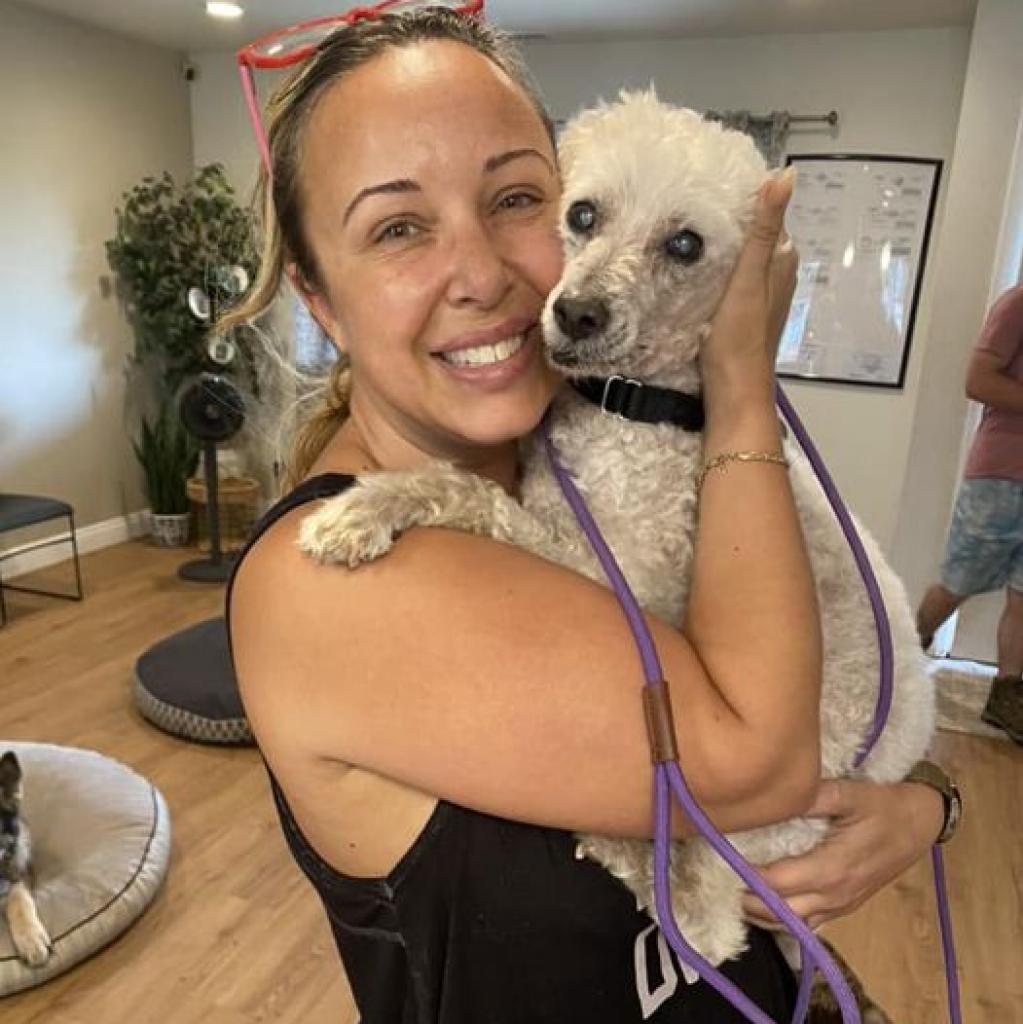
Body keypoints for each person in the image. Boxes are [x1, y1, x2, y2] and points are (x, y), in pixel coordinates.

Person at [225, 8, 954, 1021]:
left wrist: (926, 803)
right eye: (398, 226)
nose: (484, 274)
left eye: (516, 197)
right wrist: (741, 381)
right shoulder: (335, 578)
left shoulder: (576, 446)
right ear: (319, 298)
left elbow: (828, 668)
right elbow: (760, 759)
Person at [917, 281, 1023, 744]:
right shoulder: (1018, 303)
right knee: (960, 581)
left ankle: (1006, 695)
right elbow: (978, 380)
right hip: (1001, 474)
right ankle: (900, 652)